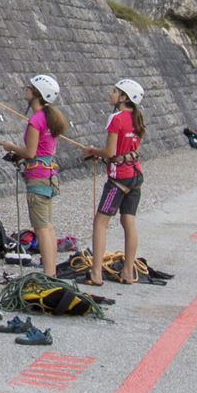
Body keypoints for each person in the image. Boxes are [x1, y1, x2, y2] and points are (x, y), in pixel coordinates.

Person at [79, 78, 147, 286]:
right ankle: (128, 272)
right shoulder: (137, 118)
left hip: (119, 178)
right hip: (135, 175)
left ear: (124, 97)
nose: (111, 94)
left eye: (115, 92)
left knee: (100, 222)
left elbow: (110, 151)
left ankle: (96, 273)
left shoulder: (116, 118)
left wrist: (93, 152)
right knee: (129, 221)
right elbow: (132, 148)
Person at [1, 75, 66, 269]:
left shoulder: (36, 120)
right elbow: (40, 149)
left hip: (38, 177)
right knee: (48, 225)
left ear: (36, 93)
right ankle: (51, 270)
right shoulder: (49, 117)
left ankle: (48, 273)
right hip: (49, 174)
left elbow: (30, 152)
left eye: (30, 87)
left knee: (41, 228)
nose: (26, 89)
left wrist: (11, 147)